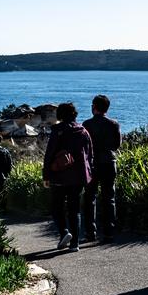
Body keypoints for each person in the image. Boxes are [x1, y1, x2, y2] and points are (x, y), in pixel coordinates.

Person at [43, 103, 93, 252]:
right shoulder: (83, 131)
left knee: (56, 207)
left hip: (60, 176)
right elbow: (89, 155)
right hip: (78, 177)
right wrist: (89, 174)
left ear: (60, 114)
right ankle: (75, 244)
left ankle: (65, 232)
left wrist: (46, 175)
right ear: (74, 114)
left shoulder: (58, 131)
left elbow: (49, 154)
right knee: (74, 209)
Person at [82, 94, 121, 242]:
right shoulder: (114, 124)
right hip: (109, 162)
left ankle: (90, 233)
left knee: (90, 198)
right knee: (109, 198)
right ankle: (109, 232)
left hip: (92, 164)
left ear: (94, 107)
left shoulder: (86, 124)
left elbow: (83, 147)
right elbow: (117, 145)